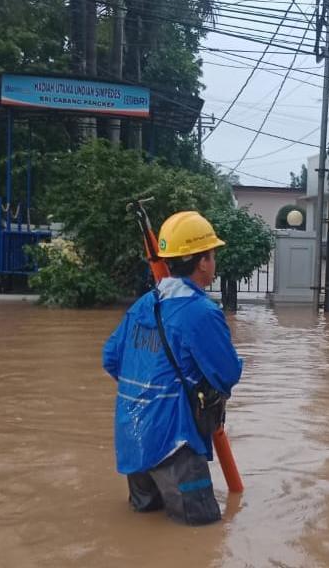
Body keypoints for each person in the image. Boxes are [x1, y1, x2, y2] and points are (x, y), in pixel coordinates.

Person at [103, 211, 242, 525]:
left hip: (132, 436)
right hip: (174, 442)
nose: (214, 261)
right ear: (202, 262)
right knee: (200, 534)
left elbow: (111, 358)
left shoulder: (143, 304)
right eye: (213, 254)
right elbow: (227, 375)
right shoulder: (201, 312)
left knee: (148, 527)